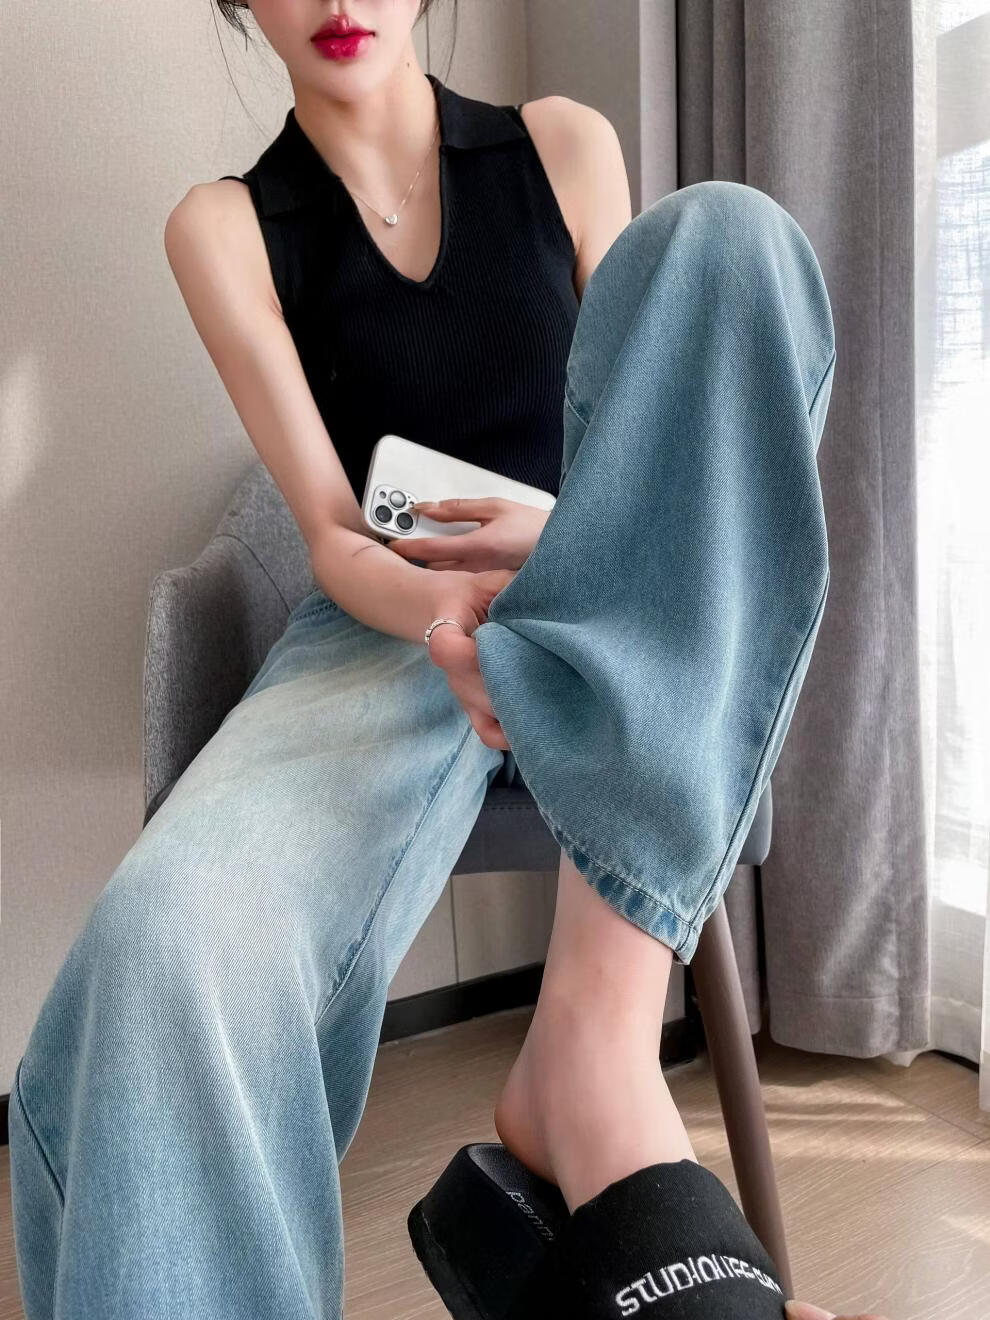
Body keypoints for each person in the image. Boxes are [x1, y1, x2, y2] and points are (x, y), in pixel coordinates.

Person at [7, 2, 880, 1318]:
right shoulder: (225, 226)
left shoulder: (564, 144)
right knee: (161, 947)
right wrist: (440, 610)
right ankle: (597, 1123)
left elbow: (646, 437)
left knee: (729, 240)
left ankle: (593, 1058)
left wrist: (571, 548)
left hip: (599, 596)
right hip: (385, 627)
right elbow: (332, 532)